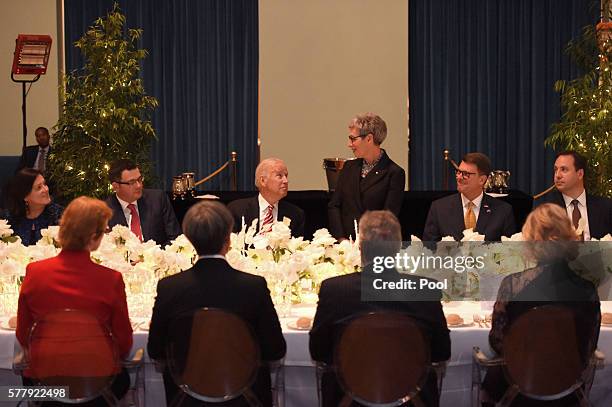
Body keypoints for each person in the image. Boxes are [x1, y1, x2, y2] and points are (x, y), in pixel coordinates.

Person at [147, 200, 286, 406]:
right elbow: (275, 350)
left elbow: (155, 350)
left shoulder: (170, 287)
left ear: (190, 240)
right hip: (245, 397)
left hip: (187, 397)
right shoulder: (253, 286)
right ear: (228, 239)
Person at [310, 210, 451, 407]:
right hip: (412, 400)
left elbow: (318, 351)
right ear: (398, 248)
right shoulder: (425, 289)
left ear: (360, 247)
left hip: (348, 399)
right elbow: (442, 352)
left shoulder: (335, 290)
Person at [16, 196, 133, 405]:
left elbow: (24, 336)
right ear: (94, 237)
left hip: (45, 384)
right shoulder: (111, 279)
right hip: (98, 385)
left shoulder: (34, 272)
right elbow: (123, 344)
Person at [483, 204, 601, 406]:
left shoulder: (513, 285)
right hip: (567, 393)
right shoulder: (587, 290)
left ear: (531, 241)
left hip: (516, 392)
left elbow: (498, 342)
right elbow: (588, 347)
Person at [328, 113, 405, 240]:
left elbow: (388, 218)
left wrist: (366, 243)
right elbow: (334, 205)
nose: (349, 144)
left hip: (375, 247)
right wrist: (341, 239)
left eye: (353, 139)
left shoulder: (394, 173)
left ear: (369, 138)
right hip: (345, 247)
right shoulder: (349, 167)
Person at [422, 152, 516, 241]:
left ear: (482, 180)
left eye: (465, 174)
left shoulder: (503, 212)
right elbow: (429, 251)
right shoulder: (439, 209)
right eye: (458, 172)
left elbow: (509, 253)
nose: (459, 177)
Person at [105, 159, 181, 246]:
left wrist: (152, 256)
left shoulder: (157, 199)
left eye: (140, 179)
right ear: (116, 187)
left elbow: (175, 238)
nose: (139, 185)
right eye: (132, 182)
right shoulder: (104, 211)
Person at [541, 150, 612, 240]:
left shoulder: (606, 207)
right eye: (556, 170)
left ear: (580, 174)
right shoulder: (547, 210)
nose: (557, 175)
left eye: (564, 169)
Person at [227, 157, 305, 236]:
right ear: (263, 181)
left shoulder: (295, 214)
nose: (285, 181)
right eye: (279, 176)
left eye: (286, 176)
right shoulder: (237, 210)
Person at [2, 168, 63, 245]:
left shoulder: (58, 215)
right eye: (39, 187)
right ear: (25, 196)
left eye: (44, 184)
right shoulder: (9, 219)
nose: (46, 189)